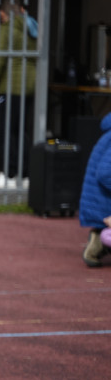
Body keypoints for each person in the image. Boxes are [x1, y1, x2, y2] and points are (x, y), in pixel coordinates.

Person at [0, 0, 37, 189]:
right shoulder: (32, 30)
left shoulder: (6, 30)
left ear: (3, 14)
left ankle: (8, 174)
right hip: (29, 88)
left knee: (3, 131)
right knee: (20, 131)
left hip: (9, 87)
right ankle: (25, 176)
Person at [79, 112, 111, 267]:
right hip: (103, 204)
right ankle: (102, 238)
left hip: (98, 203)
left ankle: (100, 239)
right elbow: (105, 174)